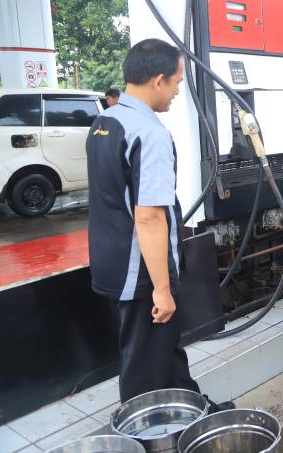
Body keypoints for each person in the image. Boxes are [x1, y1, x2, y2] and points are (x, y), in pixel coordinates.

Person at [86, 39, 200, 403]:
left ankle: (190, 408)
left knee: (162, 349)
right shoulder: (149, 133)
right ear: (158, 80)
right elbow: (149, 217)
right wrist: (162, 289)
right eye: (177, 83)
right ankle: (141, 427)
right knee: (144, 366)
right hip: (140, 272)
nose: (177, 92)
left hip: (110, 259)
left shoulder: (105, 121)